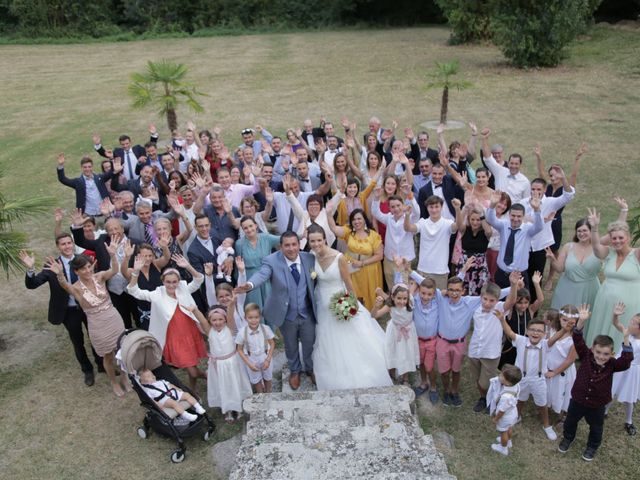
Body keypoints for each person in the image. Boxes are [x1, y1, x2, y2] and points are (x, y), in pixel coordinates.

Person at [306, 224, 391, 390]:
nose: (316, 244)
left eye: (319, 240)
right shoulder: (311, 256)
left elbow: (348, 282)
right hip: (320, 302)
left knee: (348, 334)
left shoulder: (339, 258)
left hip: (340, 299)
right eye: (312, 241)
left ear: (325, 239)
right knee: (324, 335)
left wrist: (351, 303)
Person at [236, 231, 317, 390]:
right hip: (286, 313)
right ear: (281, 246)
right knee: (290, 344)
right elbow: (262, 275)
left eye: (294, 244)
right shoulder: (271, 261)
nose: (291, 248)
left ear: (299, 245)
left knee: (309, 343)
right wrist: (250, 285)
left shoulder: (309, 258)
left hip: (307, 312)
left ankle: (309, 368)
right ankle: (295, 370)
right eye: (287, 245)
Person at [20, 238, 103, 387]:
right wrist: (30, 269)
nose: (67, 246)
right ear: (58, 247)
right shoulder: (52, 265)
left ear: (73, 244)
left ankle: (102, 364)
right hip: (69, 311)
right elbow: (32, 285)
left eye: (69, 243)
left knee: (96, 337)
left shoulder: (84, 261)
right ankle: (87, 370)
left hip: (88, 307)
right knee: (78, 341)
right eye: (63, 244)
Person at [44, 248, 126, 397]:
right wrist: (60, 273)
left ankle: (125, 378)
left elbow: (114, 270)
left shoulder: (100, 276)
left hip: (113, 318)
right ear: (76, 272)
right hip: (97, 324)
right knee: (107, 355)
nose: (88, 271)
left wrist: (113, 255)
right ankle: (114, 382)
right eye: (83, 269)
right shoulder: (76, 288)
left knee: (121, 350)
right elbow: (64, 285)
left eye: (89, 267)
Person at [558, 304, 634, 461]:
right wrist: (581, 321)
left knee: (596, 428)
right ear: (592, 349)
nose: (601, 356)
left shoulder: (613, 364)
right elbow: (577, 338)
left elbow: (626, 361)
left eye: (606, 354)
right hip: (578, 399)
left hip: (598, 404)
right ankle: (568, 438)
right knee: (570, 421)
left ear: (611, 354)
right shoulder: (586, 355)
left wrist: (626, 337)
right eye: (598, 352)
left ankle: (592, 446)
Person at [126, 254, 207, 391]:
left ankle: (192, 389)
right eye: (168, 282)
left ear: (178, 281)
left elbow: (199, 279)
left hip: (190, 333)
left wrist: (188, 266)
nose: (171, 285)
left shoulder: (183, 288)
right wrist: (136, 272)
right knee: (192, 369)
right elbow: (133, 291)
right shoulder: (157, 294)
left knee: (191, 367)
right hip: (174, 337)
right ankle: (208, 376)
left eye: (174, 282)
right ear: (163, 281)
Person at [498, 311, 561, 441]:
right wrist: (502, 320)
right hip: (521, 378)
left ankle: (546, 425)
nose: (535, 333)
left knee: (542, 404)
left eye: (539, 331)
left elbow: (556, 337)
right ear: (527, 331)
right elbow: (509, 332)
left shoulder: (546, 344)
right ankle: (517, 416)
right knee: (520, 400)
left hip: (538, 379)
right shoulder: (521, 340)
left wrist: (566, 329)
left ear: (544, 334)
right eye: (532, 330)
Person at [584, 210, 640, 348]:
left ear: (627, 237)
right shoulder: (609, 252)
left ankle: (621, 358)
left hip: (629, 303)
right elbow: (596, 247)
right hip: (605, 300)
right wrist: (595, 228)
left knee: (623, 331)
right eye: (614, 238)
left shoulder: (636, 254)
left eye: (621, 237)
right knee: (602, 325)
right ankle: (597, 354)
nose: (617, 241)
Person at [467, 276, 519, 413]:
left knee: (486, 382)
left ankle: (493, 399)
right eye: (485, 299)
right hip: (474, 351)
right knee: (478, 379)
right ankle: (483, 398)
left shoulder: (500, 309)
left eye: (492, 300)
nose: (488, 303)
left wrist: (513, 285)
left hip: (490, 353)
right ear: (481, 297)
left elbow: (511, 301)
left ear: (497, 300)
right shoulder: (477, 310)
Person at [199, 305, 252, 423]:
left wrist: (232, 302)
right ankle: (227, 409)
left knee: (234, 384)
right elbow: (201, 320)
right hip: (218, 365)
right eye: (214, 320)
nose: (217, 322)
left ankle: (237, 409)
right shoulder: (209, 331)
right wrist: (194, 309)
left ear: (225, 320)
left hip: (232, 363)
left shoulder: (230, 328)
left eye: (220, 319)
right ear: (210, 321)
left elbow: (231, 314)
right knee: (223, 387)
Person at [327, 208, 384, 311]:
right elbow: (334, 229)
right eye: (354, 219)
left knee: (367, 291)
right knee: (352, 289)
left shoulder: (373, 235)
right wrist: (328, 213)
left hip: (368, 268)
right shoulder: (349, 231)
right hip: (351, 267)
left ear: (364, 220)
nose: (356, 222)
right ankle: (352, 310)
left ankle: (369, 313)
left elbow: (379, 255)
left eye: (359, 219)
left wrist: (362, 263)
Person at [485, 191, 543, 289]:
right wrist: (492, 205)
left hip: (519, 276)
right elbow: (491, 219)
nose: (515, 219)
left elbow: (539, 226)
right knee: (500, 303)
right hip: (501, 274)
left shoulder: (528, 229)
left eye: (519, 216)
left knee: (520, 303)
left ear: (523, 217)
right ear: (509, 215)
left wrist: (537, 209)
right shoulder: (503, 225)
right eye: (513, 215)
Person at [404, 196, 460, 291]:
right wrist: (407, 215)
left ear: (441, 207)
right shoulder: (423, 222)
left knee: (439, 300)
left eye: (436, 206)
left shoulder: (447, 223)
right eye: (431, 207)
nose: (434, 210)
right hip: (423, 270)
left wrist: (458, 209)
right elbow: (408, 228)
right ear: (427, 208)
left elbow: (458, 225)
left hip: (441, 271)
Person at [547, 219, 602, 310]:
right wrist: (552, 259)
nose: (581, 233)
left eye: (585, 230)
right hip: (568, 289)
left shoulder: (598, 248)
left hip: (589, 290)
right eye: (579, 231)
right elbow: (560, 269)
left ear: (591, 231)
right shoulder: (568, 247)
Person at [373, 283, 419, 385]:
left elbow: (416, 283)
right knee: (392, 350)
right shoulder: (390, 306)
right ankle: (391, 373)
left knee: (407, 352)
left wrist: (413, 277)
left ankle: (405, 377)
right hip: (394, 331)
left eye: (404, 299)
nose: (402, 302)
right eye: (399, 298)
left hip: (408, 332)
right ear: (393, 297)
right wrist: (376, 307)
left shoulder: (410, 301)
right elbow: (374, 315)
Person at [498, 274, 544, 368]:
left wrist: (536, 284)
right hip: (511, 347)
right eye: (519, 303)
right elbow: (510, 299)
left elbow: (540, 300)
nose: (523, 306)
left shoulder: (530, 310)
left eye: (526, 303)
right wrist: (514, 286)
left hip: (526, 346)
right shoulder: (510, 311)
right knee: (508, 371)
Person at [608, 303, 640, 436]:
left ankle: (628, 421)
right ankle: (603, 412)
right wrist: (615, 315)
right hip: (619, 367)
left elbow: (630, 353)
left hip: (631, 372)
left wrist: (626, 336)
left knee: (628, 398)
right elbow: (616, 324)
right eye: (631, 320)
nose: (630, 323)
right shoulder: (629, 333)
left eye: (633, 323)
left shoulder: (633, 339)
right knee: (609, 390)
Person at [235, 216, 280, 309]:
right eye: (245, 228)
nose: (249, 229)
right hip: (250, 279)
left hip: (266, 277)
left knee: (270, 307)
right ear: (242, 230)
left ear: (256, 225)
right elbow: (238, 266)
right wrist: (240, 282)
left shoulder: (266, 238)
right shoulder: (239, 244)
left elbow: (285, 239)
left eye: (251, 226)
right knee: (255, 308)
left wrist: (301, 234)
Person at [545, 306, 579, 424]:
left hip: (563, 371)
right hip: (549, 367)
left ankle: (563, 415)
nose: (566, 324)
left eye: (571, 322)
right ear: (559, 318)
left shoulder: (575, 339)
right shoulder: (553, 331)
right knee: (549, 390)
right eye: (564, 320)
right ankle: (547, 408)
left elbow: (569, 360)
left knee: (563, 393)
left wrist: (555, 372)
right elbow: (548, 345)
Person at [138, 368, 206, 422]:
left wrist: (178, 389)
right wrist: (157, 404)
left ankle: (197, 407)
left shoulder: (161, 381)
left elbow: (170, 385)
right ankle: (186, 415)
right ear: (143, 382)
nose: (152, 376)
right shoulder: (148, 390)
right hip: (164, 400)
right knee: (174, 403)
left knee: (187, 395)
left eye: (152, 374)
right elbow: (150, 399)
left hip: (173, 393)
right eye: (148, 376)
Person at [235, 303, 276, 393]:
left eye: (256, 317)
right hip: (251, 358)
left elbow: (272, 343)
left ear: (260, 317)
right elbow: (239, 349)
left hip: (265, 356)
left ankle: (268, 392)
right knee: (256, 379)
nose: (253, 320)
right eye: (250, 318)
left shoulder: (265, 328)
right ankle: (260, 394)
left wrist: (268, 359)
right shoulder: (242, 333)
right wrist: (249, 363)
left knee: (268, 377)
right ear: (245, 317)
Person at [455, 204, 492, 295]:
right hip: (464, 264)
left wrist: (482, 215)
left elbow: (489, 232)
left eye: (478, 220)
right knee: (462, 290)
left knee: (479, 293)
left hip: (480, 267)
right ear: (469, 220)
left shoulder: (485, 232)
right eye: (472, 219)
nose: (475, 222)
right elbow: (459, 224)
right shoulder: (465, 229)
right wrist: (458, 209)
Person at [487, 364, 523, 456]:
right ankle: (509, 441)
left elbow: (502, 411)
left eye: (502, 376)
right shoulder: (517, 385)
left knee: (503, 431)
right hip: (513, 413)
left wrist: (496, 419)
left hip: (505, 417)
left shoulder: (505, 397)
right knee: (509, 427)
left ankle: (503, 448)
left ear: (508, 383)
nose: (500, 376)